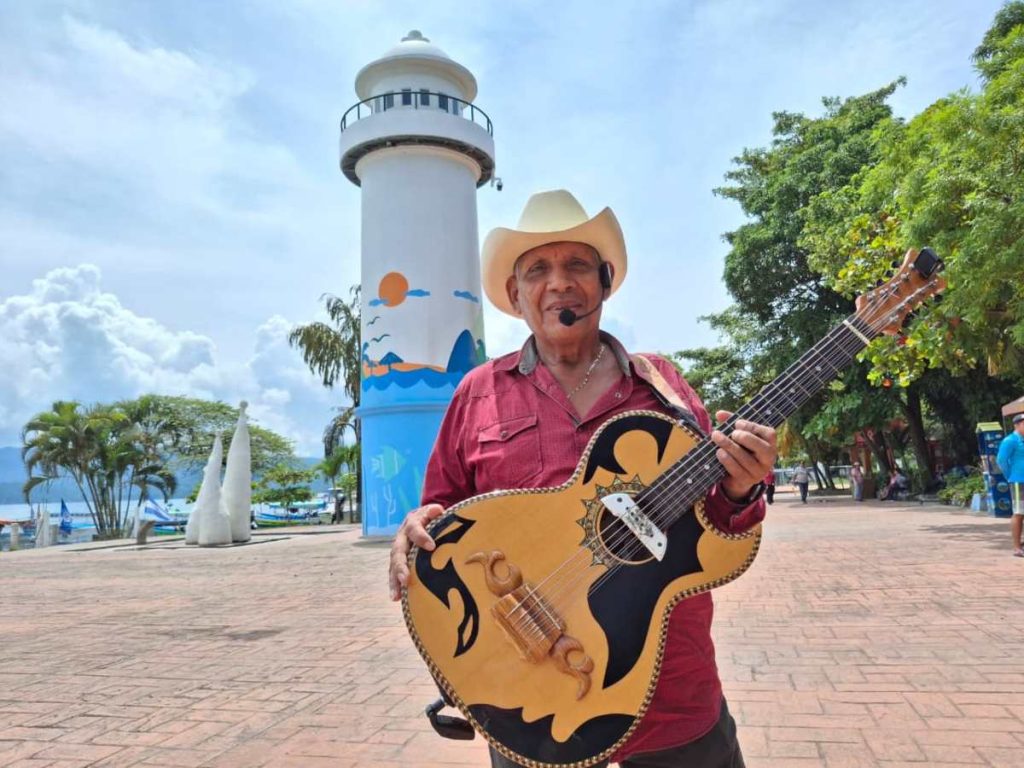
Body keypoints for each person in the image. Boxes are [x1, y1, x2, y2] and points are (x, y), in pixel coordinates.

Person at [388, 190, 777, 768]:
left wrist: (742, 487)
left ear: (605, 281)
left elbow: (716, 522)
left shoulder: (660, 387)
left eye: (576, 265)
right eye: (538, 269)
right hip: (532, 698)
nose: (559, 283)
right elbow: (443, 508)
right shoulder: (478, 392)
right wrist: (417, 527)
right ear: (516, 296)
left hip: (672, 690)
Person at [996, 413, 1024, 557]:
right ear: (1017, 425)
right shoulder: (1011, 440)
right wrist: (1010, 476)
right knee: (1019, 513)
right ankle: (1017, 547)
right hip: (1019, 480)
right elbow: (1001, 460)